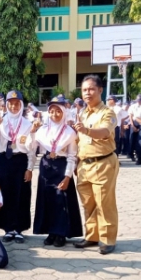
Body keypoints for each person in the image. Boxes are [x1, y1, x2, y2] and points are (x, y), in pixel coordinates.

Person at [73, 75, 119, 255]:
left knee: (104, 203)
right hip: (84, 165)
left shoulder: (107, 113)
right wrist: (77, 162)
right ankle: (92, 235)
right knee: (88, 203)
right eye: (84, 90)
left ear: (100, 90)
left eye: (91, 89)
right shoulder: (83, 113)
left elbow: (105, 131)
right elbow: (80, 140)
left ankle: (108, 239)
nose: (87, 93)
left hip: (103, 163)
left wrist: (86, 130)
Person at [0, 90, 35, 243]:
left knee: (21, 194)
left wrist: (30, 168)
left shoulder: (27, 124)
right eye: (11, 103)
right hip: (5, 161)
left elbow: (32, 149)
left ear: (21, 105)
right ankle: (7, 228)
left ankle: (19, 229)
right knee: (4, 193)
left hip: (21, 161)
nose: (14, 106)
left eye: (17, 103)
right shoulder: (1, 121)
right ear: (6, 105)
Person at [30, 96, 81, 247]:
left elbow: (72, 156)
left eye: (58, 111)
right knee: (48, 200)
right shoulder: (42, 130)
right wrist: (32, 133)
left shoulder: (70, 132)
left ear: (64, 112)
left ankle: (61, 233)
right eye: (52, 111)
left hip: (62, 166)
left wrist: (67, 177)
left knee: (61, 200)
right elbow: (31, 147)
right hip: (46, 166)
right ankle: (51, 232)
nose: (55, 114)